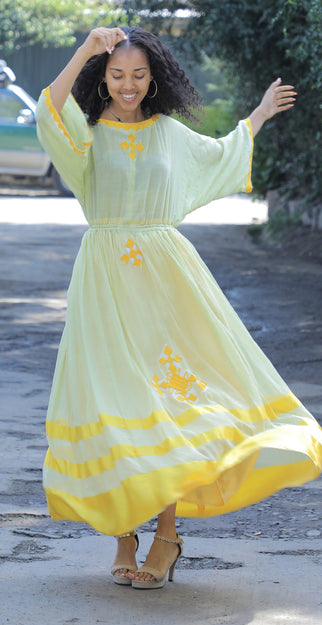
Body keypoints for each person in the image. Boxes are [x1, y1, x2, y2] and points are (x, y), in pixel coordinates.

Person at [36, 26, 322, 590]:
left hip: (168, 282)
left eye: (139, 75)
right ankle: (123, 532)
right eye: (116, 74)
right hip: (104, 281)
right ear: (103, 78)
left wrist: (260, 113)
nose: (128, 85)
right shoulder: (86, 133)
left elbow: (220, 156)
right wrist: (86, 49)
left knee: (171, 405)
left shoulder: (168, 132)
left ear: (154, 77)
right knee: (115, 401)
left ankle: (166, 535)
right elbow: (50, 109)